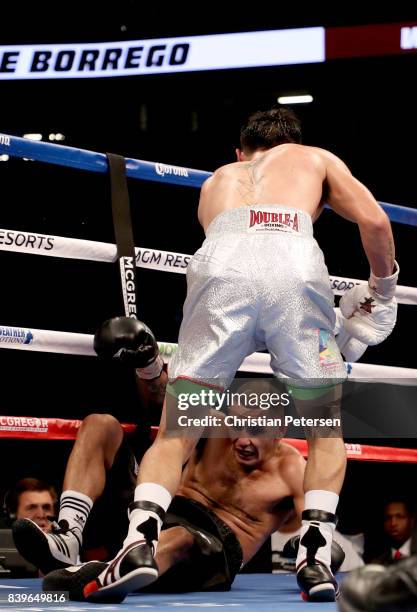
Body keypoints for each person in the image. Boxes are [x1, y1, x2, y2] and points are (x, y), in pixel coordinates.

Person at [71, 106, 397, 603]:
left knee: (177, 432)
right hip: (292, 266)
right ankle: (313, 555)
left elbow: (237, 252)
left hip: (219, 268)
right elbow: (374, 221)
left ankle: (137, 543)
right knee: (324, 428)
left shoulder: (217, 180)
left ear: (240, 152)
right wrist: (383, 287)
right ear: (294, 143)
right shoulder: (314, 159)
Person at [371, 499, 415, 565]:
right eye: (388, 518)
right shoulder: (377, 563)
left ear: (411, 521)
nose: (393, 523)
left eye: (400, 517)